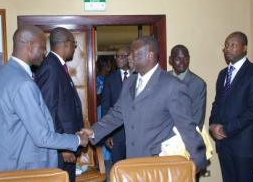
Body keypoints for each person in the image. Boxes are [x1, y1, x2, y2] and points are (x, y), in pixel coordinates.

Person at [81, 36, 207, 171]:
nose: (129, 57)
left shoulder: (172, 85)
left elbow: (187, 127)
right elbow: (117, 113)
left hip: (159, 164)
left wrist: (197, 163)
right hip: (133, 161)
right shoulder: (129, 82)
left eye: (134, 53)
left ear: (150, 56)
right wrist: (93, 131)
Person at [0, 25, 88, 179]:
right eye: (42, 47)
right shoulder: (23, 83)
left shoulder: (3, 73)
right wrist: (76, 140)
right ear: (30, 46)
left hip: (2, 161)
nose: (45, 52)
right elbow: (42, 136)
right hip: (19, 166)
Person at [209, 31, 253, 182]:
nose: (228, 49)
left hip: (244, 146)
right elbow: (217, 103)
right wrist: (213, 124)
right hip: (224, 145)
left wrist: (225, 129)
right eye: (226, 45)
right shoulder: (223, 74)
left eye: (233, 45)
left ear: (244, 48)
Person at [34, 27, 84, 182]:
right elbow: (48, 112)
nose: (75, 49)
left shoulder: (57, 65)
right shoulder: (51, 68)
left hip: (66, 142)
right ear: (66, 44)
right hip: (61, 148)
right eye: (74, 45)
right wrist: (62, 147)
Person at [101, 46, 130, 164]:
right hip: (116, 132)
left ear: (130, 57)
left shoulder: (138, 76)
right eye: (117, 56)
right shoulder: (109, 79)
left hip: (136, 133)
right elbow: (105, 107)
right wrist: (106, 134)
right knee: (117, 168)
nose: (119, 59)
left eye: (122, 56)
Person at [168, 45, 207, 129]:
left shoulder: (198, 84)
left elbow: (197, 120)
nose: (182, 62)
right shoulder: (163, 79)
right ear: (170, 60)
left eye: (185, 59)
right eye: (178, 59)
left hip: (186, 138)